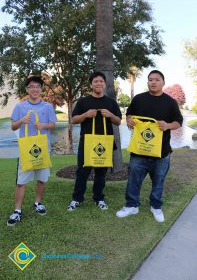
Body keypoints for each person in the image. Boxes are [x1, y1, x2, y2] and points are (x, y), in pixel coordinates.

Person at [116, 70, 183, 222]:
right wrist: (129, 120)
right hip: (139, 151)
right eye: (150, 79)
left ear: (163, 82)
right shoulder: (139, 99)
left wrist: (167, 125)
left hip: (161, 153)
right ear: (147, 82)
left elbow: (178, 122)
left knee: (158, 181)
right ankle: (132, 206)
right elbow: (130, 115)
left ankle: (156, 206)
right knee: (133, 180)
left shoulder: (170, 102)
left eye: (157, 80)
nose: (153, 82)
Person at [68, 71, 122, 211]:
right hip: (86, 143)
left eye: (101, 81)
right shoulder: (83, 101)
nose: (98, 83)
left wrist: (110, 115)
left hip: (105, 142)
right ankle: (77, 199)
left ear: (105, 84)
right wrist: (86, 115)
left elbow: (118, 121)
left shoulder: (111, 102)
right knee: (82, 172)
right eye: (95, 81)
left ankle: (99, 198)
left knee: (101, 173)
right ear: (91, 84)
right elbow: (73, 120)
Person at [7, 75, 57, 226]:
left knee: (42, 179)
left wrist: (43, 126)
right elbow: (13, 126)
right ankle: (17, 211)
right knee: (21, 182)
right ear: (27, 89)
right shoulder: (20, 106)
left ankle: (37, 203)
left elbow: (53, 124)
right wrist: (22, 121)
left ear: (41, 89)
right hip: (26, 150)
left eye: (37, 87)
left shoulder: (47, 106)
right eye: (31, 87)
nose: (35, 89)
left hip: (43, 149)